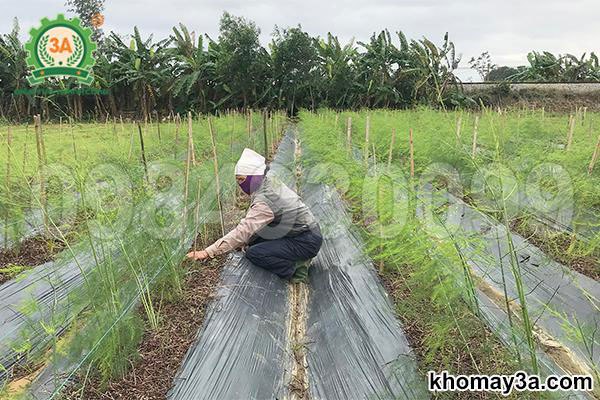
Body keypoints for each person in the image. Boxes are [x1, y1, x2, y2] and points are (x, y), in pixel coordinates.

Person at [186, 148, 323, 283]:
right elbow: (254, 224)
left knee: (256, 253)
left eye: (241, 179)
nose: (239, 184)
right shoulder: (266, 181)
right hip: (299, 231)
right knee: (252, 242)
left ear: (253, 177)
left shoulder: (266, 199)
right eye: (237, 179)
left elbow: (244, 230)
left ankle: (295, 269)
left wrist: (207, 252)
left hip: (306, 240)